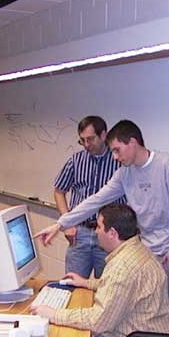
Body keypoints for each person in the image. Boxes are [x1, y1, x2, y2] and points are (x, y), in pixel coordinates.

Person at [36, 120, 169, 302]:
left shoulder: (167, 165)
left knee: (167, 309)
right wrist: (60, 224)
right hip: (146, 250)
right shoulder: (125, 173)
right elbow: (96, 200)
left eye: (116, 150)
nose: (114, 157)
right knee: (143, 308)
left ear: (132, 142)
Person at [30, 203, 169, 337]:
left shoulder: (123, 266)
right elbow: (123, 289)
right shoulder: (136, 249)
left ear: (112, 233)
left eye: (99, 226)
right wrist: (86, 283)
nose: (96, 231)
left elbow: (98, 322)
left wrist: (54, 314)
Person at [53, 115, 124, 278]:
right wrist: (67, 222)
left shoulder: (119, 161)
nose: (86, 145)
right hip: (80, 234)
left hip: (109, 235)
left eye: (90, 139)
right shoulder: (76, 160)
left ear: (104, 135)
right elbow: (59, 191)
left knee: (106, 289)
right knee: (71, 284)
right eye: (82, 140)